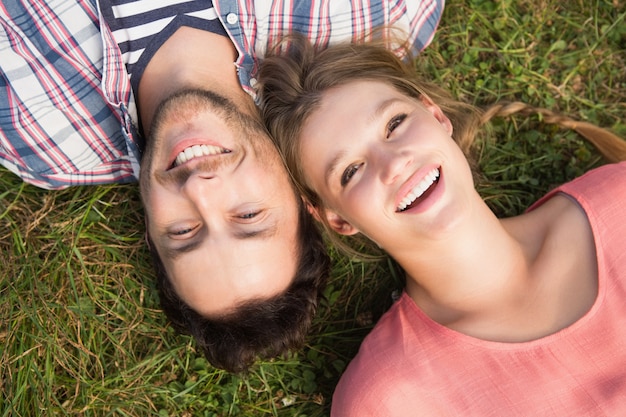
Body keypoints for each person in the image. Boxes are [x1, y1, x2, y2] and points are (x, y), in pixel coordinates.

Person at [0, 0, 444, 373]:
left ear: (152, 233)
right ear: (302, 198)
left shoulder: (37, 136)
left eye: (183, 232)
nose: (200, 188)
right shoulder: (372, 18)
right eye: (248, 216)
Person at [257, 35, 626, 415]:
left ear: (435, 116)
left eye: (395, 123)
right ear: (336, 218)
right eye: (351, 171)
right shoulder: (392, 400)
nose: (393, 163)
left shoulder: (620, 200)